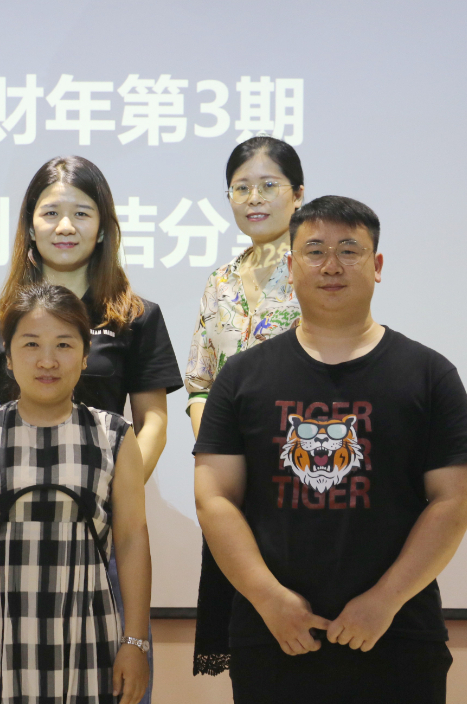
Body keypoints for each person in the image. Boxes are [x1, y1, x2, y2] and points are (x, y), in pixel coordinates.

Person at [193, 196, 467, 704]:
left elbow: (455, 500)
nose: (331, 265)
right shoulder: (241, 377)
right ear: (291, 267)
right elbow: (214, 497)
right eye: (315, 251)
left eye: (349, 250)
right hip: (273, 635)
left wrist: (385, 600)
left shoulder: (428, 374)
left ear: (377, 266)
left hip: (398, 634)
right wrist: (269, 599)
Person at [0, 156, 181, 702]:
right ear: (30, 225)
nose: (66, 226)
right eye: (51, 213)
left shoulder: (137, 316)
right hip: (14, 534)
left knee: (113, 682)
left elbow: (153, 421)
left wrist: (111, 492)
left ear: (103, 226)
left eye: (82, 212)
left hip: (102, 529)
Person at [0, 283, 152, 704]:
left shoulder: (114, 435)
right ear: (9, 355)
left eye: (64, 345)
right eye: (31, 344)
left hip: (92, 639)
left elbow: (131, 540)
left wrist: (135, 642)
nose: (47, 360)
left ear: (85, 356)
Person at [185, 135, 305, 676]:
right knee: (253, 647)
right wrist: (216, 445)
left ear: (297, 194)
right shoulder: (221, 282)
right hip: (234, 484)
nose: (253, 198)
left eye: (268, 185)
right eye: (240, 188)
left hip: (306, 472)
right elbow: (200, 381)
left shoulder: (317, 270)